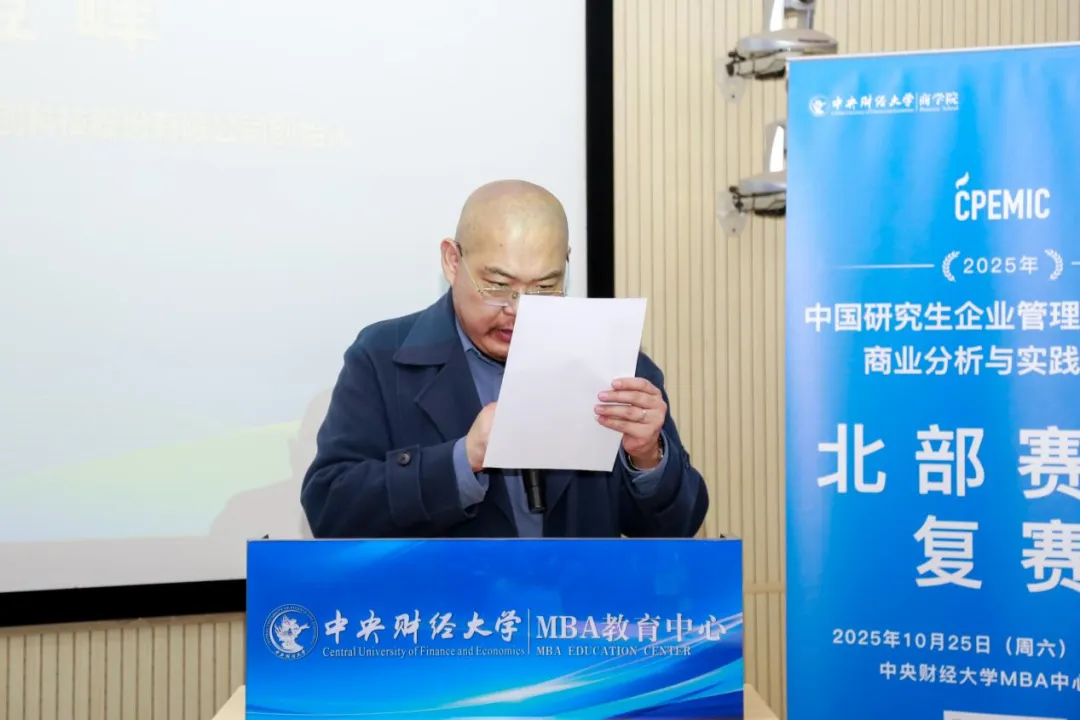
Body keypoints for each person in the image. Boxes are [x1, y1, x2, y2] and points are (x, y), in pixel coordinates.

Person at [301, 180, 708, 538]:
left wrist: (648, 457)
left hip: (573, 601)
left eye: (545, 286)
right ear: (452, 261)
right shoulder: (382, 357)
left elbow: (678, 527)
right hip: (448, 600)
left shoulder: (613, 362)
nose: (519, 309)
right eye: (497, 285)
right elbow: (330, 509)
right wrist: (462, 460)